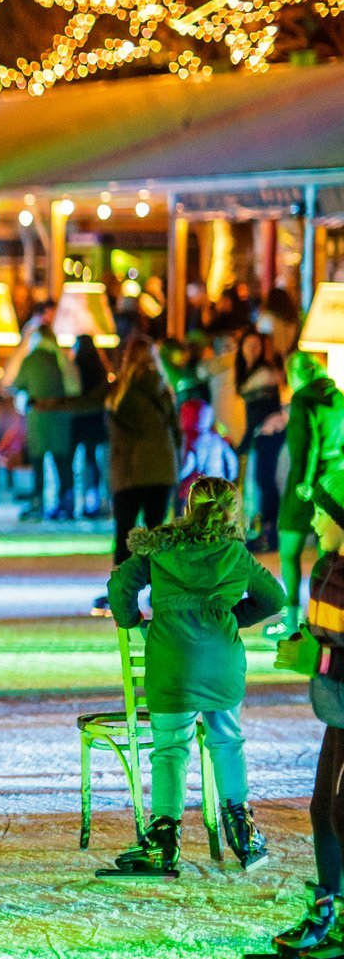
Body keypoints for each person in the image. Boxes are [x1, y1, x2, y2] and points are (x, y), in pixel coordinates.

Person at [103, 476, 282, 876]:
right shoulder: (235, 554)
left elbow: (119, 586)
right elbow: (275, 598)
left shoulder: (161, 548)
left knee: (170, 749)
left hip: (170, 663)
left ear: (188, 507)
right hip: (221, 663)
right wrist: (235, 617)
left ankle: (164, 841)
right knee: (227, 740)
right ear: (233, 511)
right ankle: (244, 832)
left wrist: (135, 621)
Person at [272, 466, 344, 957]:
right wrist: (306, 644)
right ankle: (327, 908)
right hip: (337, 710)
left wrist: (318, 658)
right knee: (323, 808)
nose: (314, 521)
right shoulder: (328, 567)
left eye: (322, 512)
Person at [101, 338, 183, 595]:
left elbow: (116, 430)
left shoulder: (121, 392)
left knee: (125, 531)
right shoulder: (163, 388)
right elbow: (176, 431)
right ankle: (159, 590)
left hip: (129, 469)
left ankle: (122, 591)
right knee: (156, 531)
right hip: (162, 468)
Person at [282, 349, 344, 608]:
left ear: (295, 375)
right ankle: (324, 605)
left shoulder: (302, 400)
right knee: (327, 551)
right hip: (334, 481)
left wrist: (303, 482)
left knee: (288, 549)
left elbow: (306, 447)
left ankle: (291, 613)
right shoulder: (338, 397)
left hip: (308, 483)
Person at [12, 327, 78, 521]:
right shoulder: (62, 357)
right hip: (61, 417)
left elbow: (18, 384)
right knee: (63, 463)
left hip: (38, 418)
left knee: (38, 462)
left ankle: (38, 502)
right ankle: (66, 501)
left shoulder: (31, 359)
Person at [234, 329, 288, 553]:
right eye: (248, 344)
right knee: (260, 481)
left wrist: (245, 440)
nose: (252, 349)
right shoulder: (248, 371)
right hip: (263, 431)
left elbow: (259, 412)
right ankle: (264, 531)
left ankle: (268, 533)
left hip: (269, 431)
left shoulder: (263, 372)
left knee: (264, 481)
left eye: (256, 345)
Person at [70, 336, 111, 518]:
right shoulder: (99, 368)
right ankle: (95, 500)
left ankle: (80, 500)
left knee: (83, 461)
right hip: (96, 420)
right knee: (94, 460)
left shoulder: (76, 367)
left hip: (80, 418)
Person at [179, 397, 240, 498]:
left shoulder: (190, 440)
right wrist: (231, 477)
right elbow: (231, 459)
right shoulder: (217, 438)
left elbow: (189, 463)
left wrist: (177, 477)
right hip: (218, 484)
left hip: (194, 488)